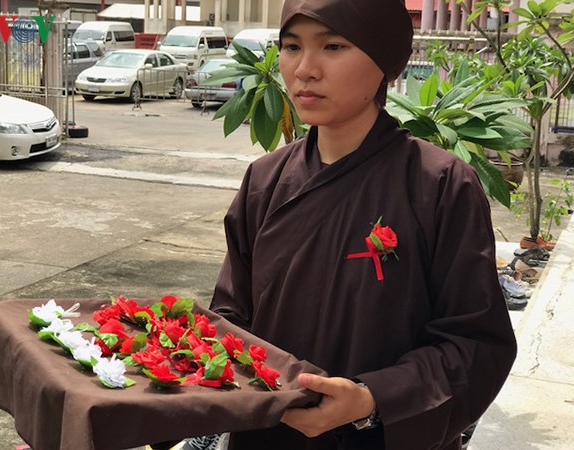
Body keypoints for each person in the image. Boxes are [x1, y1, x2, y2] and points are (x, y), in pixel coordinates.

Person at [209, 0, 518, 449]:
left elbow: (475, 343)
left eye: (333, 46)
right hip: (269, 433)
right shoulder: (265, 180)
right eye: (291, 47)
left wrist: (372, 399)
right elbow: (228, 317)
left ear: (384, 59)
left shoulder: (439, 184)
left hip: (380, 436)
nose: (305, 70)